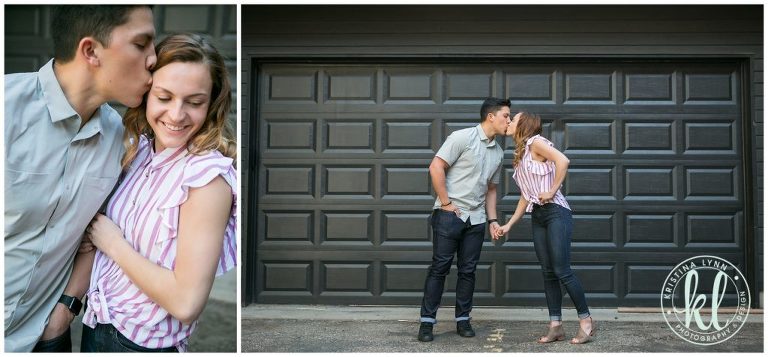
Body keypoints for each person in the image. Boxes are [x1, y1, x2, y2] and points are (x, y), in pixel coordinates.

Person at [4, 5, 156, 352]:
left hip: (45, 337)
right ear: (90, 51)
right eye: (141, 44)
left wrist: (65, 311)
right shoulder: (6, 109)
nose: (154, 59)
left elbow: (97, 234)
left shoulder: (121, 142)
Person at [79, 33, 237, 352]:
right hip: (98, 325)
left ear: (211, 104)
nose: (176, 115)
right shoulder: (140, 152)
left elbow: (186, 303)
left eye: (194, 102)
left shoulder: (206, 180)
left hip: (141, 346)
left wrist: (113, 243)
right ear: (146, 93)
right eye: (164, 97)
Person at [494, 111, 596, 344]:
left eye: (513, 119)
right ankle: (555, 326)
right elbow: (525, 196)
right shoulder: (521, 153)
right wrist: (509, 224)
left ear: (524, 124)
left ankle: (586, 320)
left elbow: (563, 161)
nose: (508, 122)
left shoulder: (536, 143)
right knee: (548, 272)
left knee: (562, 270)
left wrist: (551, 191)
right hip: (538, 215)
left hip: (556, 212)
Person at [417, 97, 510, 342]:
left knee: (468, 271)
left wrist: (492, 220)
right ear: (491, 116)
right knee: (440, 268)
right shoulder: (462, 137)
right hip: (449, 216)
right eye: (506, 116)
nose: (509, 121)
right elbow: (436, 167)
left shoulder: (499, 152)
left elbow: (491, 189)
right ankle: (427, 323)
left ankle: (463, 319)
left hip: (477, 220)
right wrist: (446, 203)